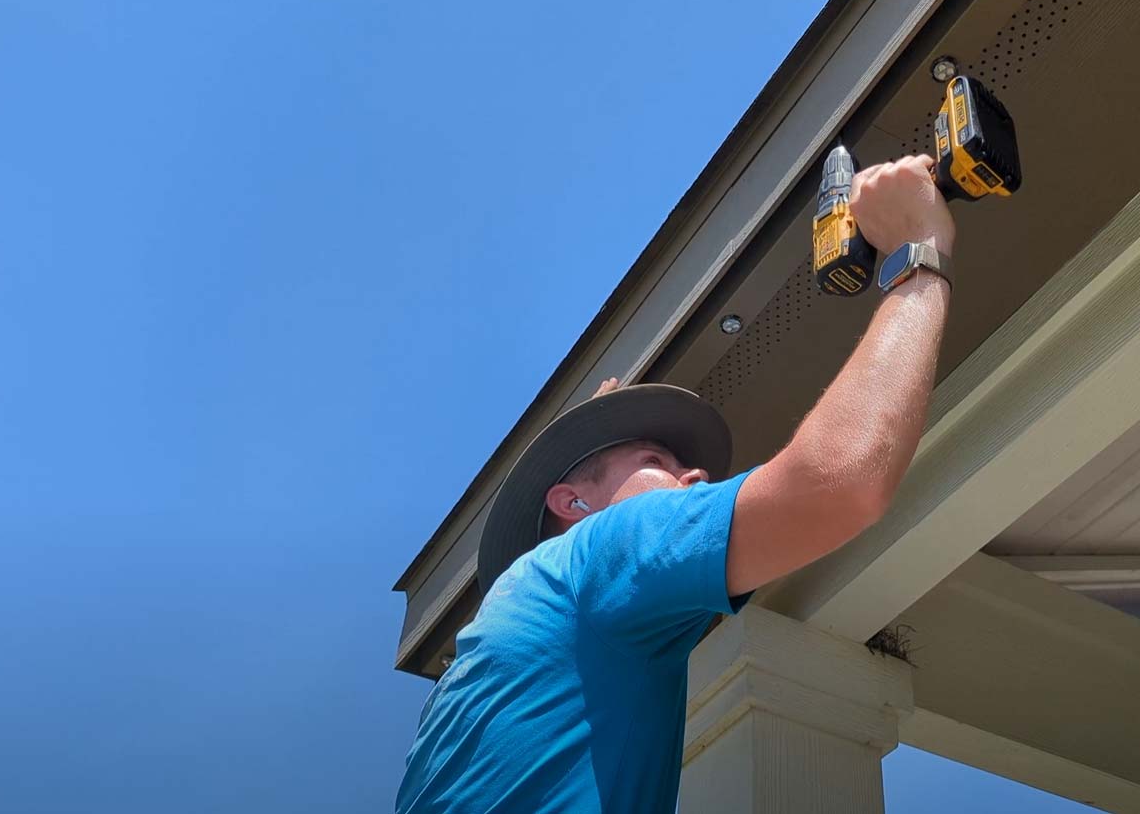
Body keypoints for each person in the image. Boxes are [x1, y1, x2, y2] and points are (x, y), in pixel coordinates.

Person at [397, 154, 956, 813]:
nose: (696, 474)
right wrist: (918, 248)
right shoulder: (597, 551)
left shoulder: (479, 678)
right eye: (659, 459)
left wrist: (609, 450)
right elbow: (841, 483)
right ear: (573, 502)